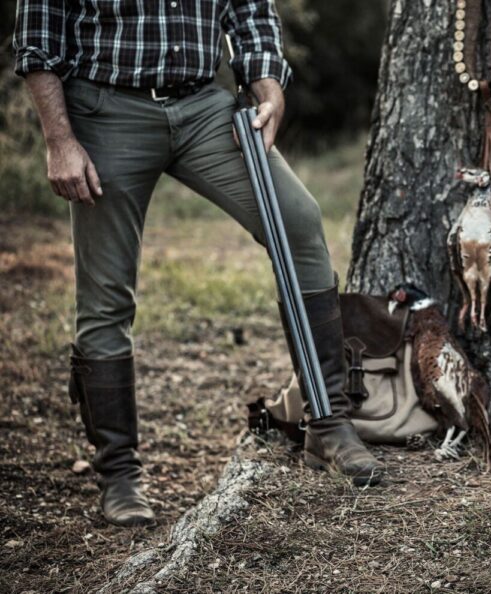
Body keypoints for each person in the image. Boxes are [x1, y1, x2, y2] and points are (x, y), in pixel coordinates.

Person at [13, 0, 384, 528]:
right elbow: (39, 32)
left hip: (204, 109)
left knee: (298, 222)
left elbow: (250, 10)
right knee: (105, 296)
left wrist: (268, 86)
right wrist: (59, 140)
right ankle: (118, 474)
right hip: (106, 110)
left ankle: (329, 423)